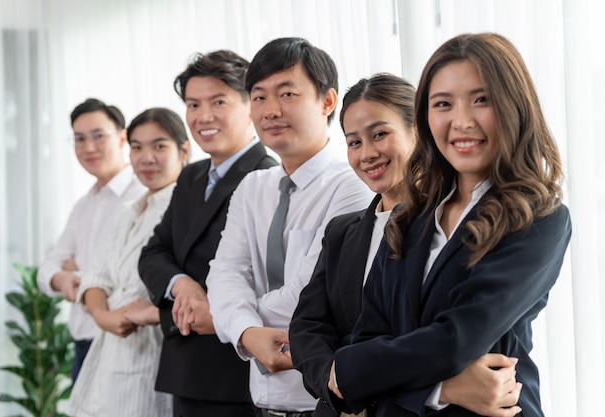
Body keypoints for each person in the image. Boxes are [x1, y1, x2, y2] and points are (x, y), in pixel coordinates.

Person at [329, 33, 572, 417]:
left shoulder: (538, 218)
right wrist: (445, 388)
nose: (461, 122)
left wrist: (354, 370)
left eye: (481, 100)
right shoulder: (409, 218)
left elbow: (458, 338)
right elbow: (368, 336)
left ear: (513, 106)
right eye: (443, 104)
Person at [290, 73, 525, 417]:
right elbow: (307, 326)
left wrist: (359, 376)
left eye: (380, 135)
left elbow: (446, 340)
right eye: (354, 142)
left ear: (420, 131)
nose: (367, 154)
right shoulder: (342, 231)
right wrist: (336, 380)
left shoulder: (452, 226)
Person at [206, 37, 373, 417]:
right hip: (260, 401)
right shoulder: (253, 186)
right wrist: (248, 332)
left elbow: (308, 298)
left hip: (323, 400)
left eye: (287, 94)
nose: (270, 110)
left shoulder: (353, 184)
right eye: (259, 97)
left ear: (327, 101)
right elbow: (225, 271)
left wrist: (229, 316)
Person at [138, 50, 277, 417]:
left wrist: (185, 311)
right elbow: (153, 253)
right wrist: (182, 284)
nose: (203, 116)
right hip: (185, 371)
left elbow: (264, 279)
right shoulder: (191, 176)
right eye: (193, 104)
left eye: (218, 101)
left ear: (251, 105)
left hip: (236, 372)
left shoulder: (267, 177)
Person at [67, 107, 189, 417]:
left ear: (183, 151)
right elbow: (97, 276)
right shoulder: (128, 210)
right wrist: (101, 315)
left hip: (150, 352)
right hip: (107, 349)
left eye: (159, 146)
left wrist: (119, 314)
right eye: (137, 147)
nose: (146, 157)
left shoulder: (185, 209)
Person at [37, 98, 146, 382]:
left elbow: (127, 278)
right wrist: (62, 278)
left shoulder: (142, 195)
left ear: (122, 137)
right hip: (83, 344)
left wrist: (79, 273)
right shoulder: (84, 205)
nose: (88, 147)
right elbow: (47, 266)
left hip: (125, 343)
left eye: (98, 136)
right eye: (79, 139)